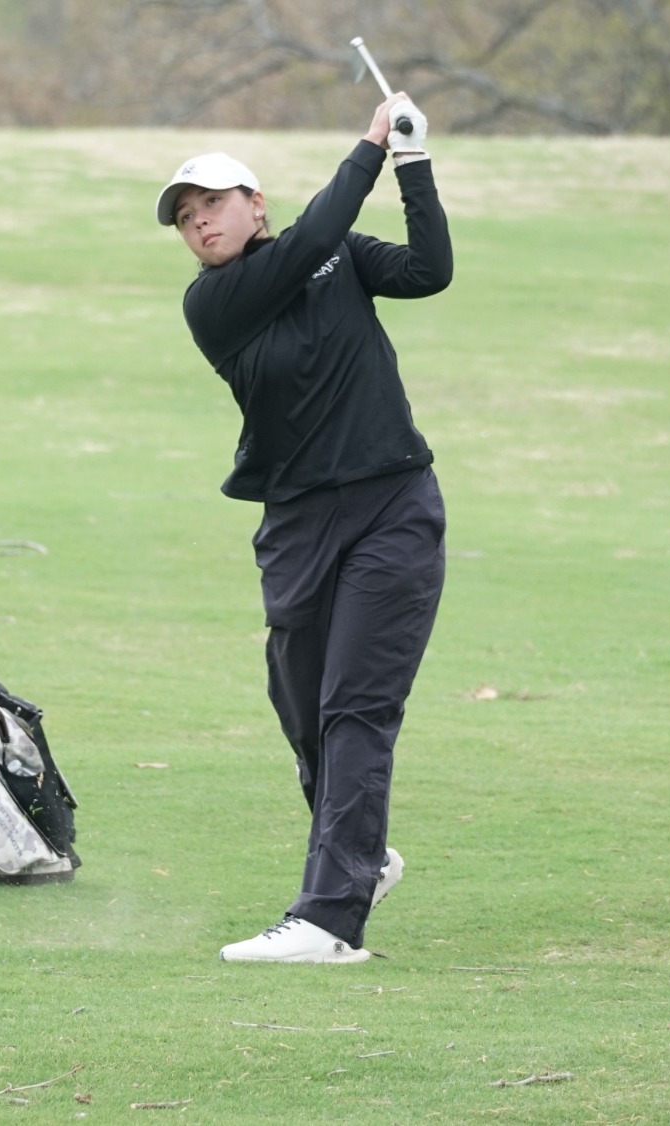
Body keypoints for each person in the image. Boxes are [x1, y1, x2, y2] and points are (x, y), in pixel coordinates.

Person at [156, 92, 453, 963]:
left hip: (392, 507)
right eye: (184, 217)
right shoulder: (214, 304)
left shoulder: (335, 255)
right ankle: (360, 854)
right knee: (302, 703)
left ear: (256, 204)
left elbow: (428, 270)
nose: (199, 223)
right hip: (295, 521)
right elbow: (315, 240)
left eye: (212, 204)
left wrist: (411, 163)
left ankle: (330, 921)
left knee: (356, 708)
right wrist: (364, 149)